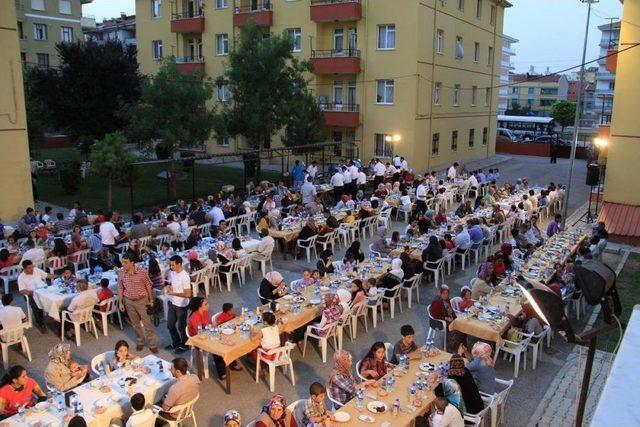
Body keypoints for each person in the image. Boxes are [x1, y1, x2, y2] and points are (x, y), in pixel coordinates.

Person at [117, 253, 157, 353]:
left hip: (142, 300)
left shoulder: (142, 272)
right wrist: (121, 302)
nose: (123, 264)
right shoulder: (121, 273)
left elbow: (148, 286)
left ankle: (152, 344)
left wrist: (151, 300)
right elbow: (120, 288)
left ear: (132, 262)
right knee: (135, 324)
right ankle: (140, 341)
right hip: (129, 301)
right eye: (122, 262)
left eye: (125, 262)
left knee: (147, 323)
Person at [18, 259, 57, 333]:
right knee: (35, 305)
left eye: (32, 267)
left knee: (56, 297)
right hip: (31, 294)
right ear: (24, 269)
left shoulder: (36, 270)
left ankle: (56, 318)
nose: (32, 269)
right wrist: (33, 293)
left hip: (44, 290)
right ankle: (41, 323)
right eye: (29, 268)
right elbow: (22, 290)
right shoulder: (21, 277)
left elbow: (47, 275)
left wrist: (58, 276)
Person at [164, 255, 191, 354]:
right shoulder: (173, 273)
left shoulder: (185, 276)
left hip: (181, 305)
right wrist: (169, 287)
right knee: (170, 325)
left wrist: (173, 293)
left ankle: (185, 344)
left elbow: (188, 294)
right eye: (170, 265)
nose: (171, 267)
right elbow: (170, 283)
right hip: (172, 302)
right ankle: (176, 342)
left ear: (179, 264)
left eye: (173, 265)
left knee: (181, 326)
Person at [430, 285, 466, 352]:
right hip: (438, 322)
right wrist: (445, 318)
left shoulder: (447, 300)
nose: (445, 295)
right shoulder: (437, 302)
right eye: (444, 293)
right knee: (456, 331)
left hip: (447, 318)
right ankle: (453, 348)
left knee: (461, 325)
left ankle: (462, 346)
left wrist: (455, 318)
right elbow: (435, 316)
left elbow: (451, 310)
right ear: (440, 293)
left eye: (447, 293)